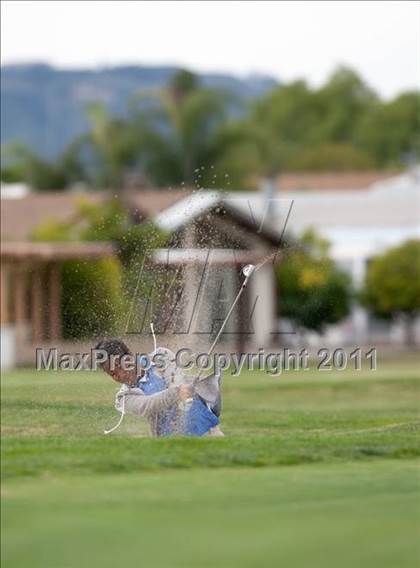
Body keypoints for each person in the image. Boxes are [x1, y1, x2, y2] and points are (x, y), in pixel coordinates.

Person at [95, 339, 224, 437]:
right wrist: (177, 393)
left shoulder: (161, 356)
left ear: (128, 355)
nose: (119, 375)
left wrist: (181, 392)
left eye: (119, 365)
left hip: (207, 430)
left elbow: (176, 381)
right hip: (171, 442)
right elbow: (149, 405)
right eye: (112, 373)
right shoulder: (123, 398)